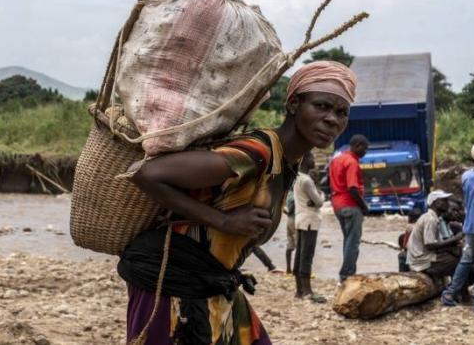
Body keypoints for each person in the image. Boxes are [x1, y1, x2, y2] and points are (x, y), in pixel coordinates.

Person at [119, 61, 357, 345]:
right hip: (169, 279)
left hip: (212, 280)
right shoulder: (259, 152)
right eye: (322, 106)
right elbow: (146, 173)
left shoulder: (286, 162)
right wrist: (224, 221)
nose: (332, 119)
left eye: (341, 112)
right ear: (293, 104)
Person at [441, 142, 474, 313]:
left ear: (472, 158)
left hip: (470, 226)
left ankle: (450, 293)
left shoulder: (466, 177)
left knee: (466, 260)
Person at [328, 134, 369, 282]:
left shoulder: (336, 159)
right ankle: (346, 275)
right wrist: (364, 206)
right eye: (365, 149)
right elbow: (352, 188)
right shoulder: (352, 162)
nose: (365, 152)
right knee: (353, 242)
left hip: (337, 204)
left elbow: (328, 182)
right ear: (357, 146)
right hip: (350, 205)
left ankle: (346, 273)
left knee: (347, 240)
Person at [406, 191, 464, 280]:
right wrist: (455, 239)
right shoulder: (430, 219)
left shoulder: (434, 218)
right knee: (460, 262)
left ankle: (457, 290)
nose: (447, 204)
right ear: (435, 203)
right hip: (421, 262)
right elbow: (430, 245)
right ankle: (455, 291)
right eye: (444, 201)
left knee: (460, 256)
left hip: (425, 257)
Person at [292, 151, 325, 302]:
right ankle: (308, 291)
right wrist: (321, 195)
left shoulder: (297, 177)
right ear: (304, 159)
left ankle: (299, 290)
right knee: (307, 255)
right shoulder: (306, 180)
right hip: (310, 220)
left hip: (300, 218)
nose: (314, 160)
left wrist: (314, 198)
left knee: (299, 254)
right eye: (311, 156)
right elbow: (319, 202)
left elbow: (309, 199)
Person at [398, 207, 423, 272]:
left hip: (415, 255)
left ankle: (402, 274)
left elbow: (405, 245)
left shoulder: (409, 227)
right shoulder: (425, 225)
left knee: (402, 255)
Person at [284, 189, 297, 274]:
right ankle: (297, 270)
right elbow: (291, 209)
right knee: (299, 247)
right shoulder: (295, 194)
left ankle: (288, 269)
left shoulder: (288, 194)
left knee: (290, 245)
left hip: (289, 221)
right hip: (295, 221)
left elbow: (285, 209)